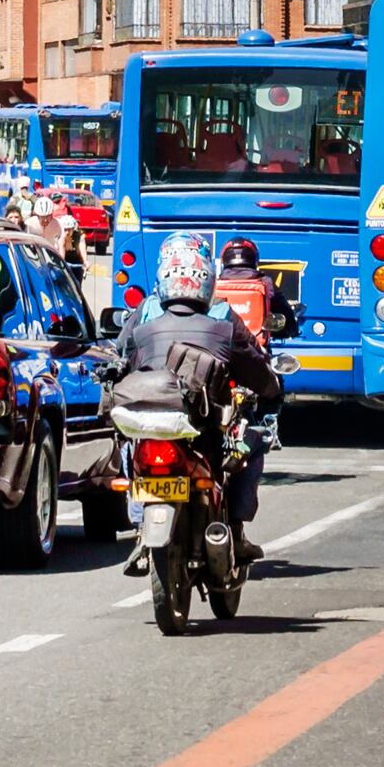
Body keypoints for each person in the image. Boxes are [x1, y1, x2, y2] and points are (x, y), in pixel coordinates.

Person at [111, 231, 279, 562]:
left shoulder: (144, 323)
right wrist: (271, 391)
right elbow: (257, 370)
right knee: (253, 442)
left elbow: (120, 357)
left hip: (148, 424)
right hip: (203, 430)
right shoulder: (223, 322)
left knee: (129, 445)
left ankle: (142, 527)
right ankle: (236, 527)